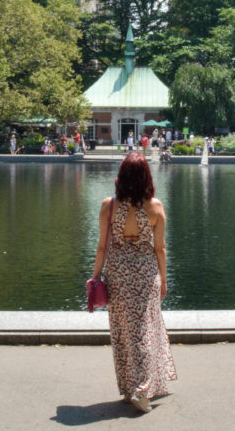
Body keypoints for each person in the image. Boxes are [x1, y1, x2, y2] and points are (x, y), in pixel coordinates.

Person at [91, 153, 176, 413]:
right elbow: (160, 248)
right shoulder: (155, 207)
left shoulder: (109, 205)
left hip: (117, 272)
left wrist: (95, 277)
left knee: (122, 330)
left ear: (122, 176)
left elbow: (102, 247)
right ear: (146, 177)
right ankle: (142, 390)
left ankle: (131, 388)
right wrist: (163, 278)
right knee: (144, 330)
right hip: (144, 272)